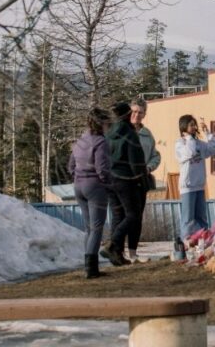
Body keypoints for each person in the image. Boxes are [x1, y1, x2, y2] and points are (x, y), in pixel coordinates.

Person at [100, 101, 148, 267]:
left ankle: (117, 255)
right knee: (133, 215)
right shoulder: (129, 133)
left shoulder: (109, 133)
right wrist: (142, 179)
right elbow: (137, 162)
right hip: (126, 180)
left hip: (109, 179)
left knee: (118, 216)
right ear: (127, 115)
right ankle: (112, 244)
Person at [67, 107, 112, 279]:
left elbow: (71, 165)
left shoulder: (81, 140)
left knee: (88, 228)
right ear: (102, 123)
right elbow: (102, 168)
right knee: (97, 228)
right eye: (107, 122)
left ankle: (88, 267)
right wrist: (108, 183)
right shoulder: (100, 142)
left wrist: (78, 177)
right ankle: (92, 269)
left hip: (79, 186)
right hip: (95, 187)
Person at [127, 98, 160, 264]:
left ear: (144, 114)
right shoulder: (123, 131)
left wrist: (149, 167)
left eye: (140, 112)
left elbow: (155, 155)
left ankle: (133, 251)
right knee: (125, 216)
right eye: (133, 111)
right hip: (125, 180)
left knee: (137, 216)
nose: (136, 115)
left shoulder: (147, 135)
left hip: (141, 181)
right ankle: (117, 249)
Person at [176, 114, 215, 242]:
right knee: (188, 218)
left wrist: (208, 133)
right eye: (191, 124)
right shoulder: (180, 143)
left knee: (201, 217)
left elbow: (213, 149)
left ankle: (204, 241)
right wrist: (189, 138)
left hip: (199, 184)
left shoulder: (199, 143)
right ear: (184, 126)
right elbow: (189, 153)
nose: (194, 127)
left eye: (194, 124)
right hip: (188, 186)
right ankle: (186, 243)